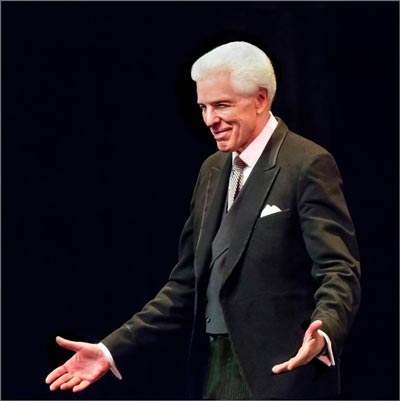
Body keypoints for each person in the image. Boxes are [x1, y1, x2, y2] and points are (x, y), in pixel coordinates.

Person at [45, 41, 361, 399]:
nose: (210, 120)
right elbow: (184, 286)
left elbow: (339, 269)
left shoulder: (307, 164)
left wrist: (324, 333)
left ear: (261, 99)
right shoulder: (212, 171)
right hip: (213, 374)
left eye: (222, 105)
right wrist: (109, 349)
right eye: (204, 107)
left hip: (284, 375)